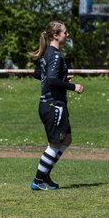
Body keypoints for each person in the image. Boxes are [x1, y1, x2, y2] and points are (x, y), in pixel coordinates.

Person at [29, 21, 84, 190]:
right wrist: (73, 86)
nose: (67, 35)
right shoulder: (55, 55)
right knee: (55, 144)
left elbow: (38, 74)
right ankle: (38, 180)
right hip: (53, 105)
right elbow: (51, 80)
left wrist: (61, 80)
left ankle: (45, 176)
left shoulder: (48, 53)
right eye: (65, 33)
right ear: (56, 36)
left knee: (66, 139)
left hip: (52, 104)